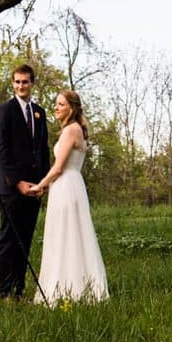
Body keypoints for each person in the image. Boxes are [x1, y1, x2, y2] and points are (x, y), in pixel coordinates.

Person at [32, 89, 108, 305]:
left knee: (66, 235)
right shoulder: (77, 130)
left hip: (66, 185)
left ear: (72, 108)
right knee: (71, 234)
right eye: (56, 103)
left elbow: (58, 168)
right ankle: (75, 285)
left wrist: (40, 185)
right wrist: (49, 185)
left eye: (61, 104)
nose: (56, 108)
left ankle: (67, 289)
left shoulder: (70, 131)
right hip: (71, 185)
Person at [0, 63, 49, 299]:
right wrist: (18, 182)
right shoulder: (5, 111)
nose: (21, 86)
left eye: (25, 82)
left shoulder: (39, 112)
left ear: (32, 83)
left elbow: (43, 149)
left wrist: (43, 182)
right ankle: (4, 291)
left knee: (25, 239)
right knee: (9, 239)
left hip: (35, 187)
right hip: (12, 187)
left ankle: (19, 289)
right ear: (12, 83)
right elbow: (1, 150)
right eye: (17, 82)